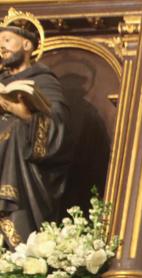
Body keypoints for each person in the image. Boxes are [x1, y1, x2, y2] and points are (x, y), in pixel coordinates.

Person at [0, 11, 73, 248]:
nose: (2, 48)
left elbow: (58, 130)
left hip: (22, 175)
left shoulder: (44, 81)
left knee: (16, 130)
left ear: (27, 45)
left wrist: (22, 114)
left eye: (7, 41)